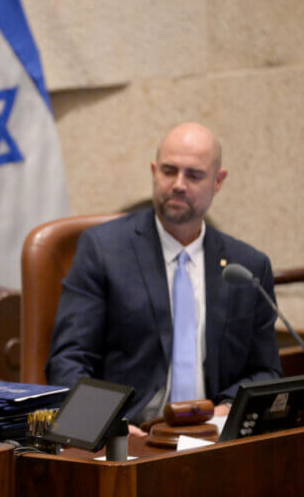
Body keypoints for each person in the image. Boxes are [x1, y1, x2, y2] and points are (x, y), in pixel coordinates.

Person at [46, 122, 282, 434]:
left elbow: (266, 371)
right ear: (154, 171)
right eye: (169, 171)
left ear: (218, 181)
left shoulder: (247, 267)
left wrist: (227, 409)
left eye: (194, 175)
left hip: (213, 440)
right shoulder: (103, 251)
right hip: (130, 438)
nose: (178, 184)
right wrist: (108, 425)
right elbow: (68, 361)